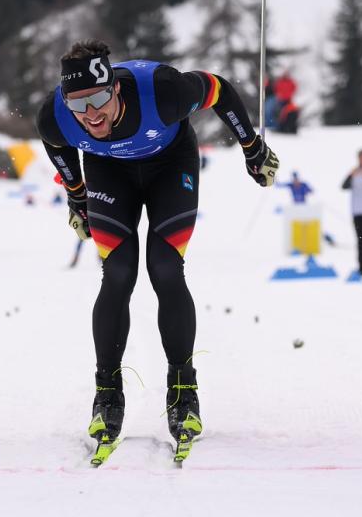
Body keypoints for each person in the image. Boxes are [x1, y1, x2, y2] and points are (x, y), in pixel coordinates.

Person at [36, 40, 278, 457]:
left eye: (99, 99)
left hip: (171, 163)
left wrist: (252, 148)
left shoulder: (163, 92)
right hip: (109, 172)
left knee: (165, 268)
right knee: (118, 273)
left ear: (115, 89)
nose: (91, 114)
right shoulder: (56, 117)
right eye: (80, 105)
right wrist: (77, 195)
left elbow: (218, 88)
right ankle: (107, 393)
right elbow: (56, 146)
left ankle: (183, 389)